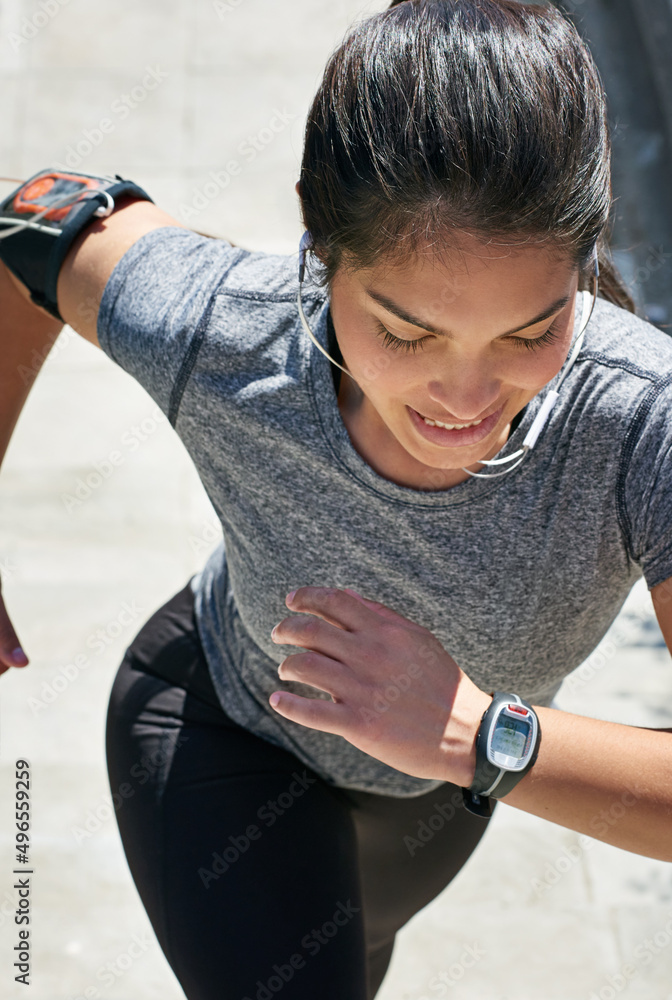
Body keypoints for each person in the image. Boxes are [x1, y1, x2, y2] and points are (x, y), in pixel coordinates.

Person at [1, 1, 671, 997]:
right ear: (321, 244)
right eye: (407, 333)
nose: (466, 398)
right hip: (219, 728)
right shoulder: (227, 330)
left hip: (439, 802)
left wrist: (478, 733)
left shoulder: (643, 422)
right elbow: (38, 222)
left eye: (529, 333)